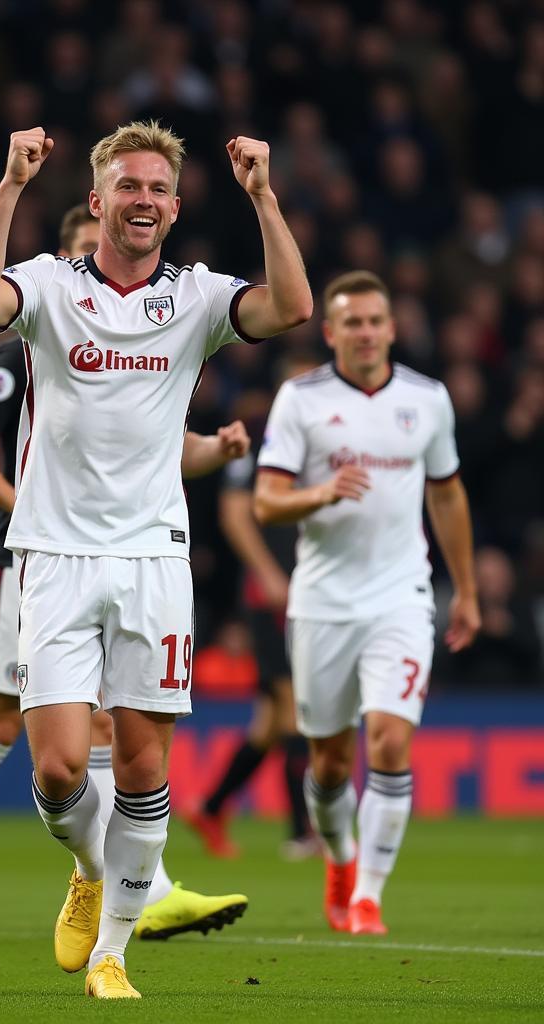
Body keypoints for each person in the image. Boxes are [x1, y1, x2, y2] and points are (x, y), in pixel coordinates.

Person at [0, 122, 312, 998]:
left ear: (177, 206)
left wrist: (265, 195)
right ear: (97, 199)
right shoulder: (47, 285)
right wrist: (7, 185)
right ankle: (87, 868)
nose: (143, 200)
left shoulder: (195, 298)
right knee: (58, 770)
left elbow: (293, 309)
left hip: (154, 559)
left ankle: (112, 953)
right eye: (128, 187)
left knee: (146, 765)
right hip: (57, 555)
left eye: (157, 189)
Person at [0, 203, 251, 943]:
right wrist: (34, 505)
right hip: (29, 557)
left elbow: (162, 448)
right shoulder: (25, 344)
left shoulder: (156, 326)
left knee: (110, 728)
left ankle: (135, 892)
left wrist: (215, 451)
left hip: (128, 555)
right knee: (3, 724)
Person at [254, 269, 480, 935]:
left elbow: (446, 493)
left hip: (401, 596)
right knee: (326, 760)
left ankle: (369, 897)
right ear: (330, 332)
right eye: (352, 322)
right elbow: (267, 501)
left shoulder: (428, 399)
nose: (366, 332)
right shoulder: (300, 400)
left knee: (387, 740)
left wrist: (464, 588)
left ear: (392, 328)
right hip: (322, 601)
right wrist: (319, 494)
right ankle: (341, 858)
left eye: (375, 320)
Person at [187, 357, 320, 861]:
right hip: (272, 597)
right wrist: (268, 573)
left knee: (269, 724)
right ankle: (302, 830)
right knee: (293, 709)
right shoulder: (265, 441)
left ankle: (212, 805)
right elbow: (234, 513)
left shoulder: (321, 445)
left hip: (308, 592)